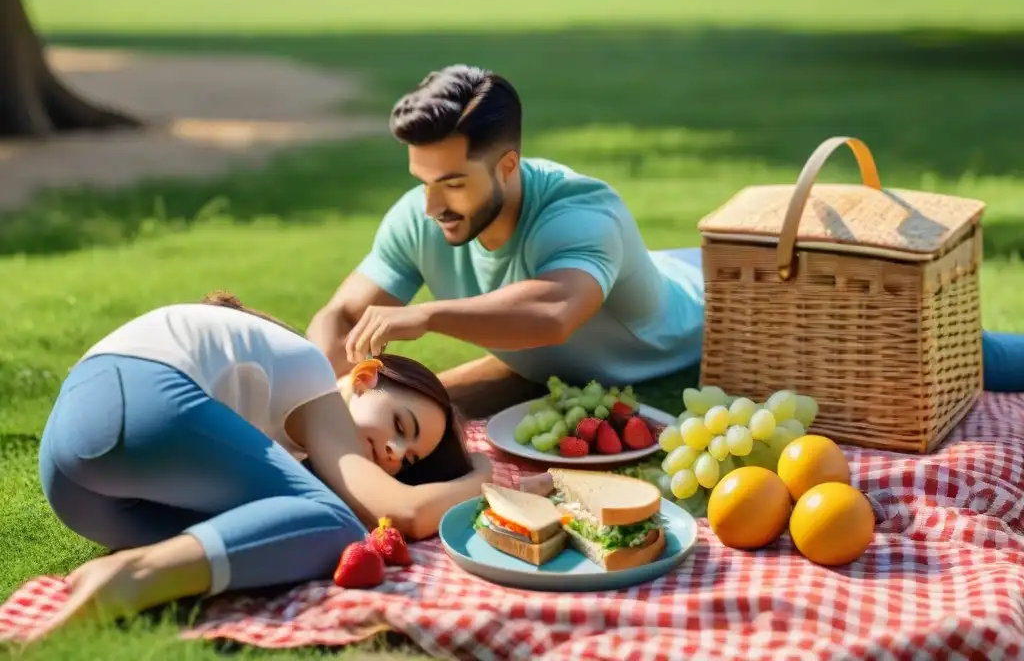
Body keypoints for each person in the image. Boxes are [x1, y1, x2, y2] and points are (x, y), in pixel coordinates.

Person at [307, 64, 1024, 419]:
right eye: (422, 180)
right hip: (617, 333)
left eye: (453, 183)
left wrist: (426, 315)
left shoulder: (580, 212)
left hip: (722, 328)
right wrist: (311, 391)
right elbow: (342, 317)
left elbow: (555, 312)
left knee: (933, 356)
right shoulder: (420, 211)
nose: (432, 204)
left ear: (507, 165)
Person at [33, 291, 491, 638]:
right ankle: (131, 578)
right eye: (400, 425)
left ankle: (128, 571)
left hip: (75, 484)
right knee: (338, 528)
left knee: (281, 528)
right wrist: (483, 477)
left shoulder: (279, 432)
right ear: (365, 378)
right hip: (139, 406)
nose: (393, 451)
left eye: (407, 459)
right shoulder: (312, 374)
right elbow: (402, 513)